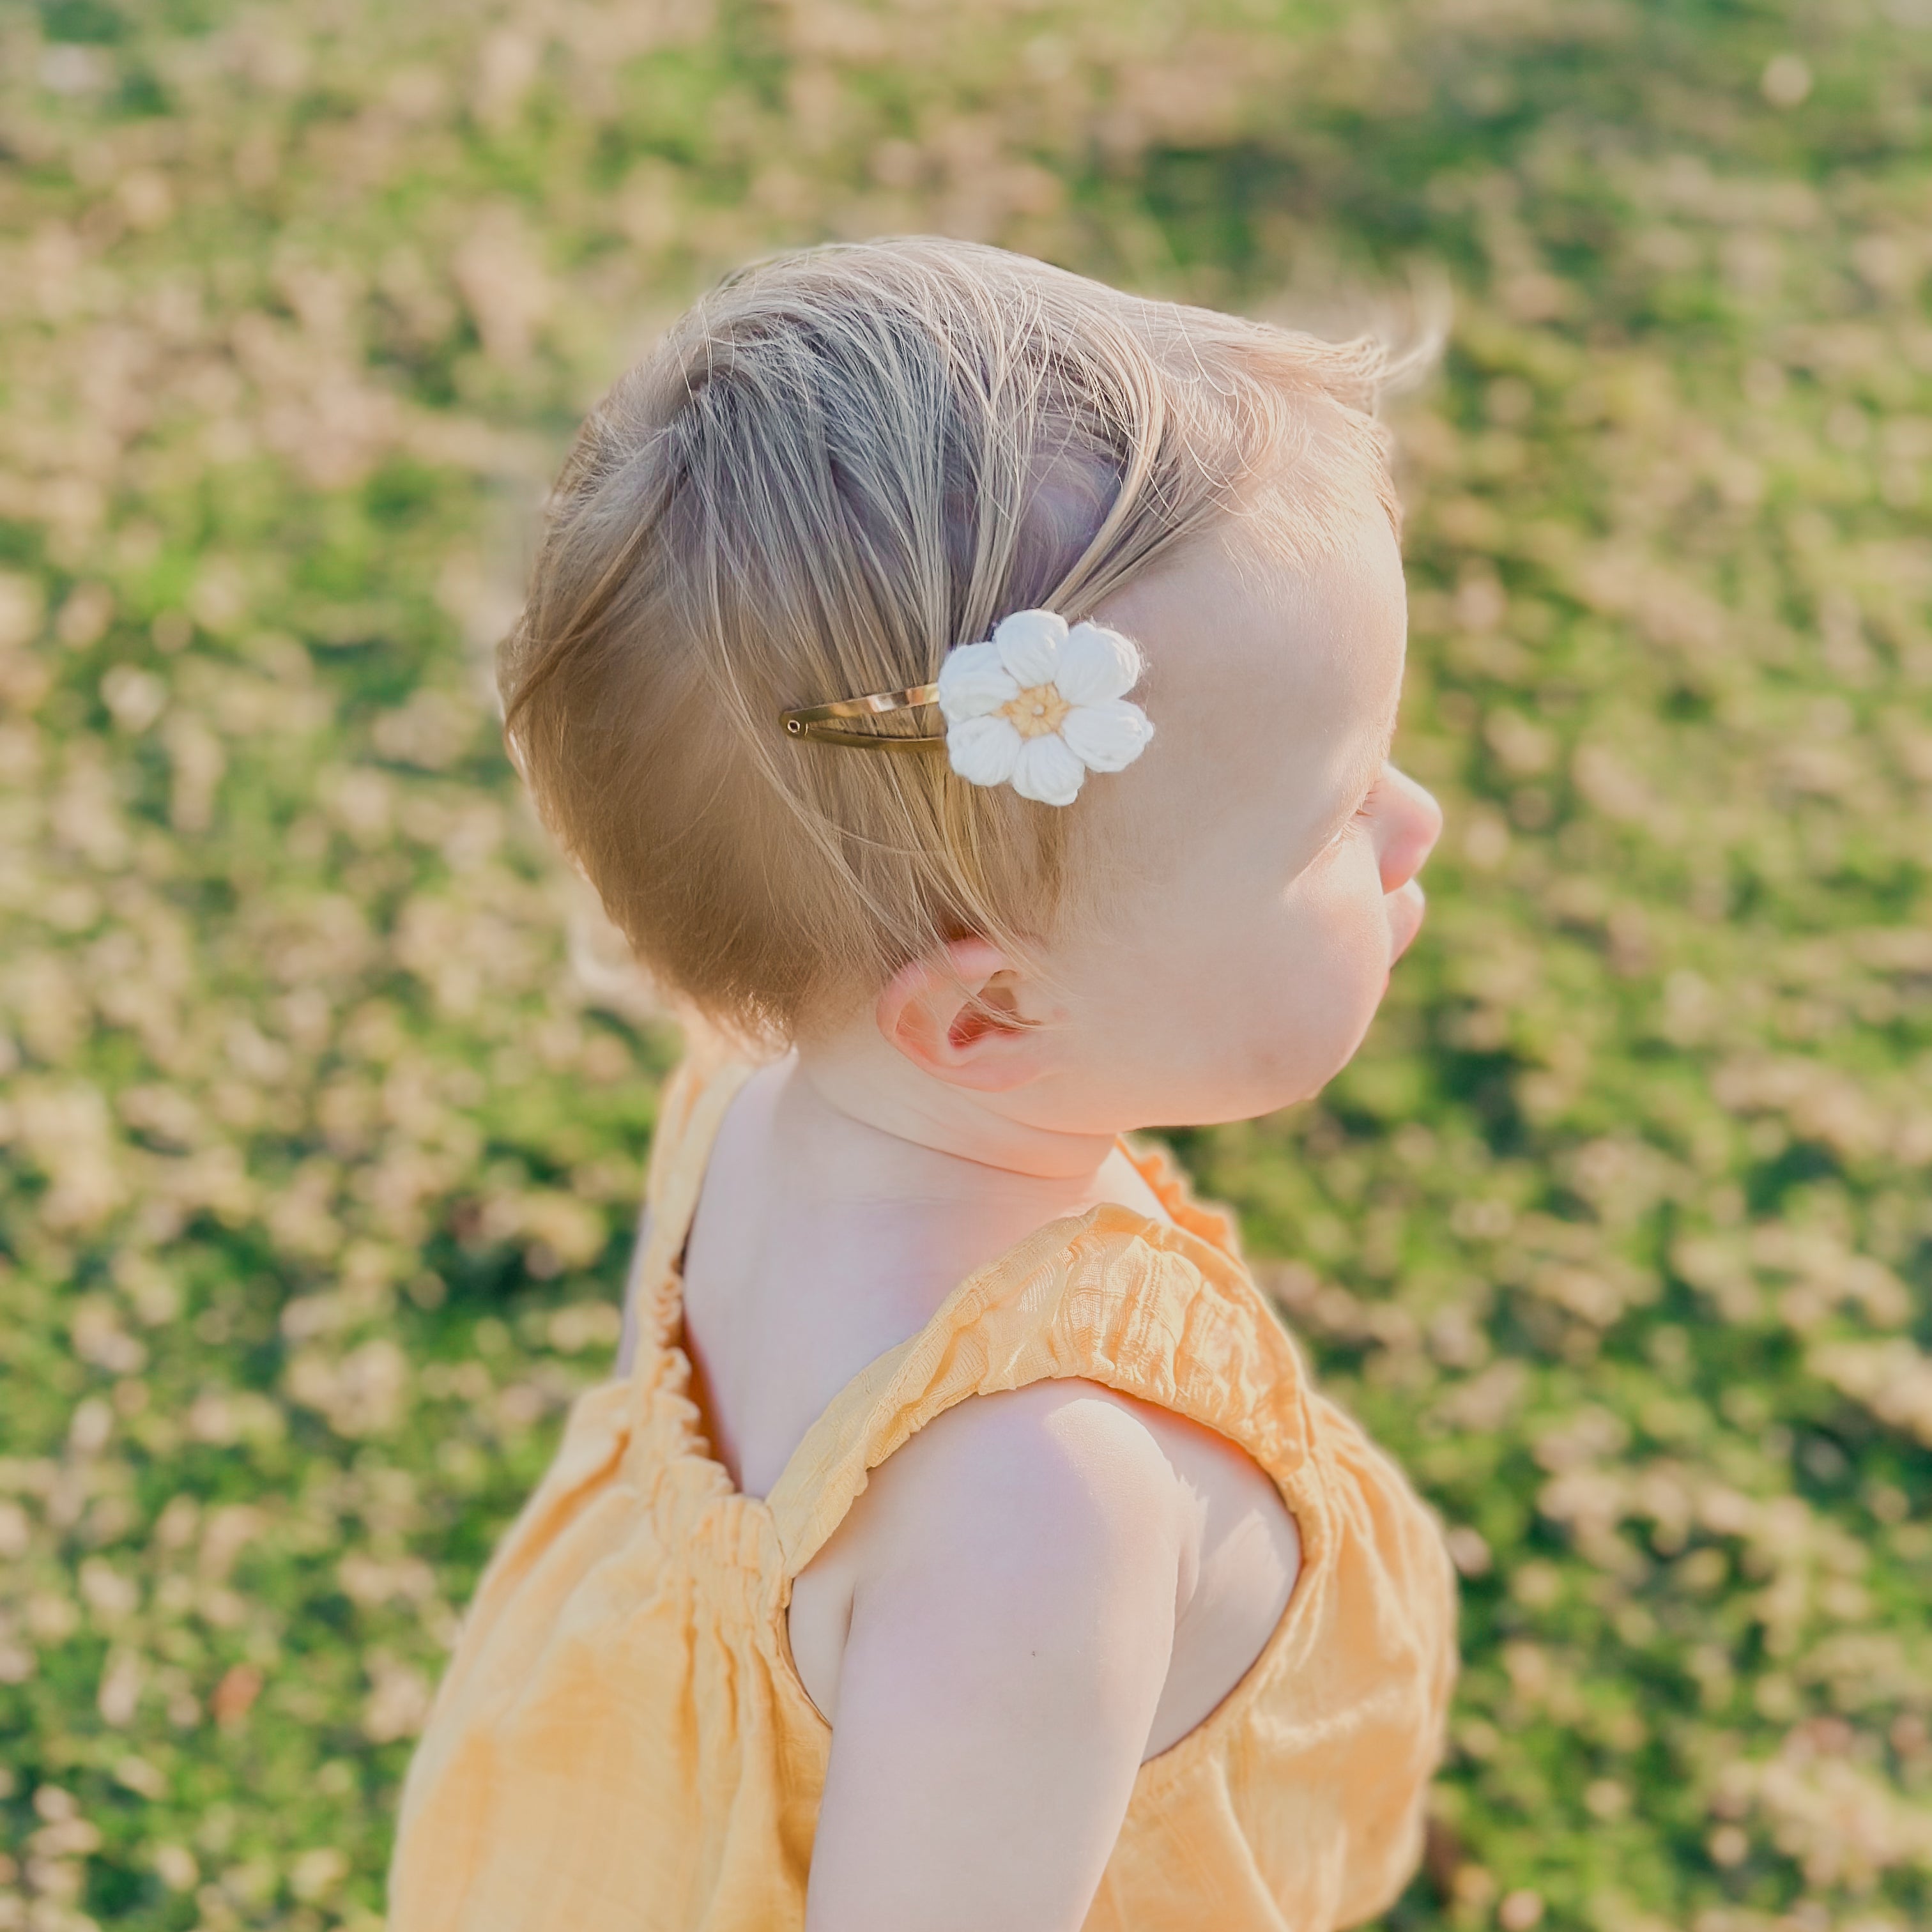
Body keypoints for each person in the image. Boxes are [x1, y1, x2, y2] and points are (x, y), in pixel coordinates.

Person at [387, 236, 1458, 1932]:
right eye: (1333, 819)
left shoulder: (753, 1094)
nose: (1420, 825)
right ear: (982, 1016)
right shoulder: (1041, 1504)